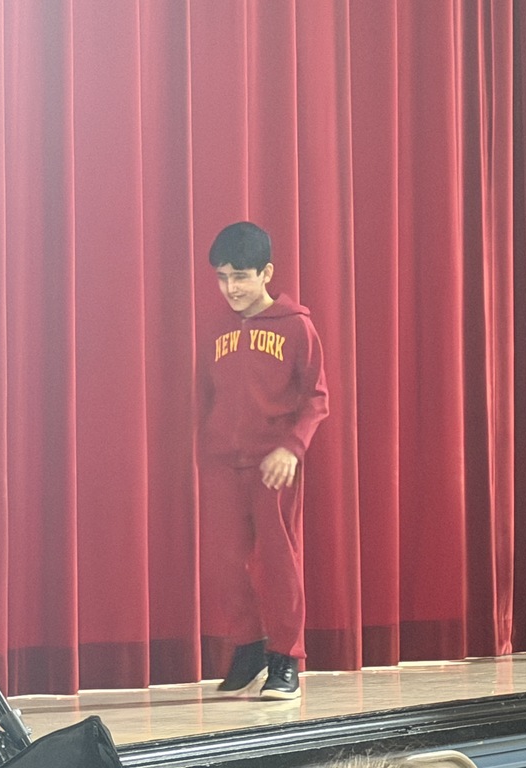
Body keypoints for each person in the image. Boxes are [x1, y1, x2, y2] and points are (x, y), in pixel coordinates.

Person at [198, 221, 329, 699]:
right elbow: (204, 396)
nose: (230, 288)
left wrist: (292, 448)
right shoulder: (215, 330)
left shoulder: (297, 327)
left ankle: (286, 659)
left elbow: (317, 398)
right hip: (221, 464)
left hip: (272, 466)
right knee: (224, 563)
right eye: (221, 276)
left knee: (278, 563)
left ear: (266, 272)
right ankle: (249, 647)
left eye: (241, 276)